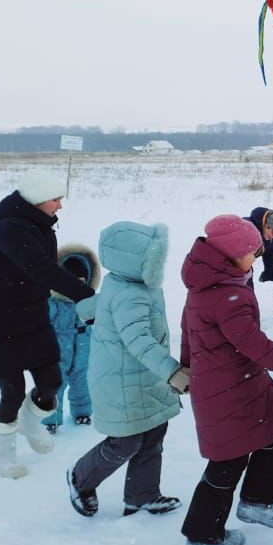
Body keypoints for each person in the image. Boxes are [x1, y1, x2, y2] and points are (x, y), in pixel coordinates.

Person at [178, 215, 273, 545]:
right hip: (227, 389)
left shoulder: (206, 287)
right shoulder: (227, 296)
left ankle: (258, 500)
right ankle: (203, 535)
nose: (257, 258)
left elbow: (187, 333)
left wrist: (186, 366)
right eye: (253, 253)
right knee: (228, 460)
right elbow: (255, 344)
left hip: (240, 381)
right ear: (231, 254)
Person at [0, 171, 96, 478]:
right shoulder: (9, 229)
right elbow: (40, 269)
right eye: (55, 199)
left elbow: (43, 271)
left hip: (31, 318)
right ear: (38, 200)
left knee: (51, 381)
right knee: (12, 392)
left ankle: (29, 421)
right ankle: (1, 459)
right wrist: (87, 297)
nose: (60, 206)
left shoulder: (40, 226)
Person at [66, 222, 186, 519]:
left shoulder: (128, 282)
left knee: (153, 432)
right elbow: (139, 342)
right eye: (151, 259)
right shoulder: (130, 294)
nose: (157, 265)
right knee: (126, 441)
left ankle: (142, 496)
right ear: (130, 261)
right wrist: (173, 372)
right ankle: (80, 477)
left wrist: (91, 312)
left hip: (142, 377)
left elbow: (98, 305)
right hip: (121, 381)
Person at [42, 245, 101, 433]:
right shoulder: (53, 304)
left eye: (82, 282)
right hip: (58, 352)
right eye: (72, 282)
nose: (77, 287)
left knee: (82, 384)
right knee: (54, 386)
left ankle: (82, 412)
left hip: (84, 351)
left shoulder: (89, 302)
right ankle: (51, 418)